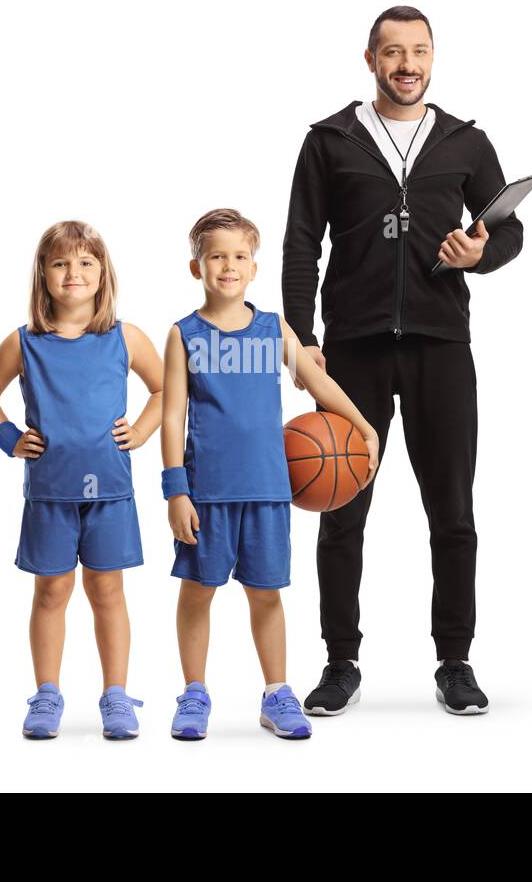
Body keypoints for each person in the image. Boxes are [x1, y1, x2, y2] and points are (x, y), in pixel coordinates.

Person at [281, 5, 525, 716]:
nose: (407, 64)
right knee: (342, 509)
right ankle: (340, 661)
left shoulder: (465, 143)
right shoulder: (329, 140)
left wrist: (481, 254)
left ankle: (456, 660)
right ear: (370, 60)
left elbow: (508, 232)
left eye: (418, 51)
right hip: (351, 349)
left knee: (452, 511)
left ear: (433, 57)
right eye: (393, 52)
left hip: (439, 346)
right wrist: (301, 338)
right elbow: (302, 243)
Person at [160, 208, 379, 740]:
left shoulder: (274, 329)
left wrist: (363, 425)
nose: (228, 266)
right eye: (216, 256)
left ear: (254, 268)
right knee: (197, 592)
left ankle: (277, 692)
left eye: (239, 256)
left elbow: (320, 386)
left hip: (268, 490)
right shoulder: (183, 334)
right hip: (206, 492)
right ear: (197, 267)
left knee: (266, 594)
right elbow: (171, 415)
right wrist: (175, 491)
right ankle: (194, 692)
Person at [0, 220, 164, 739]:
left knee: (107, 591)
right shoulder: (25, 342)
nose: (72, 273)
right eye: (60, 263)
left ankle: (116, 696)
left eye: (84, 262)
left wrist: (142, 430)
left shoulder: (125, 336)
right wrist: (9, 437)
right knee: (52, 592)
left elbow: (167, 389)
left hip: (111, 490)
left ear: (103, 274)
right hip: (49, 492)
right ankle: (47, 694)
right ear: (43, 275)